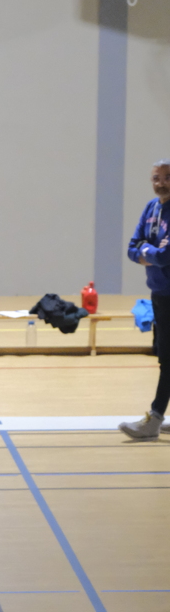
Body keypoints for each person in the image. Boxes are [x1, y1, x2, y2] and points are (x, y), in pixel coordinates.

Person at [120, 160, 170, 440]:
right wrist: (150, 251)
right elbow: (132, 248)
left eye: (167, 177)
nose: (161, 183)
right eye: (156, 178)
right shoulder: (151, 208)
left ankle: (155, 419)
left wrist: (146, 251)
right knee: (164, 355)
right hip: (160, 293)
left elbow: (165, 256)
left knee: (168, 360)